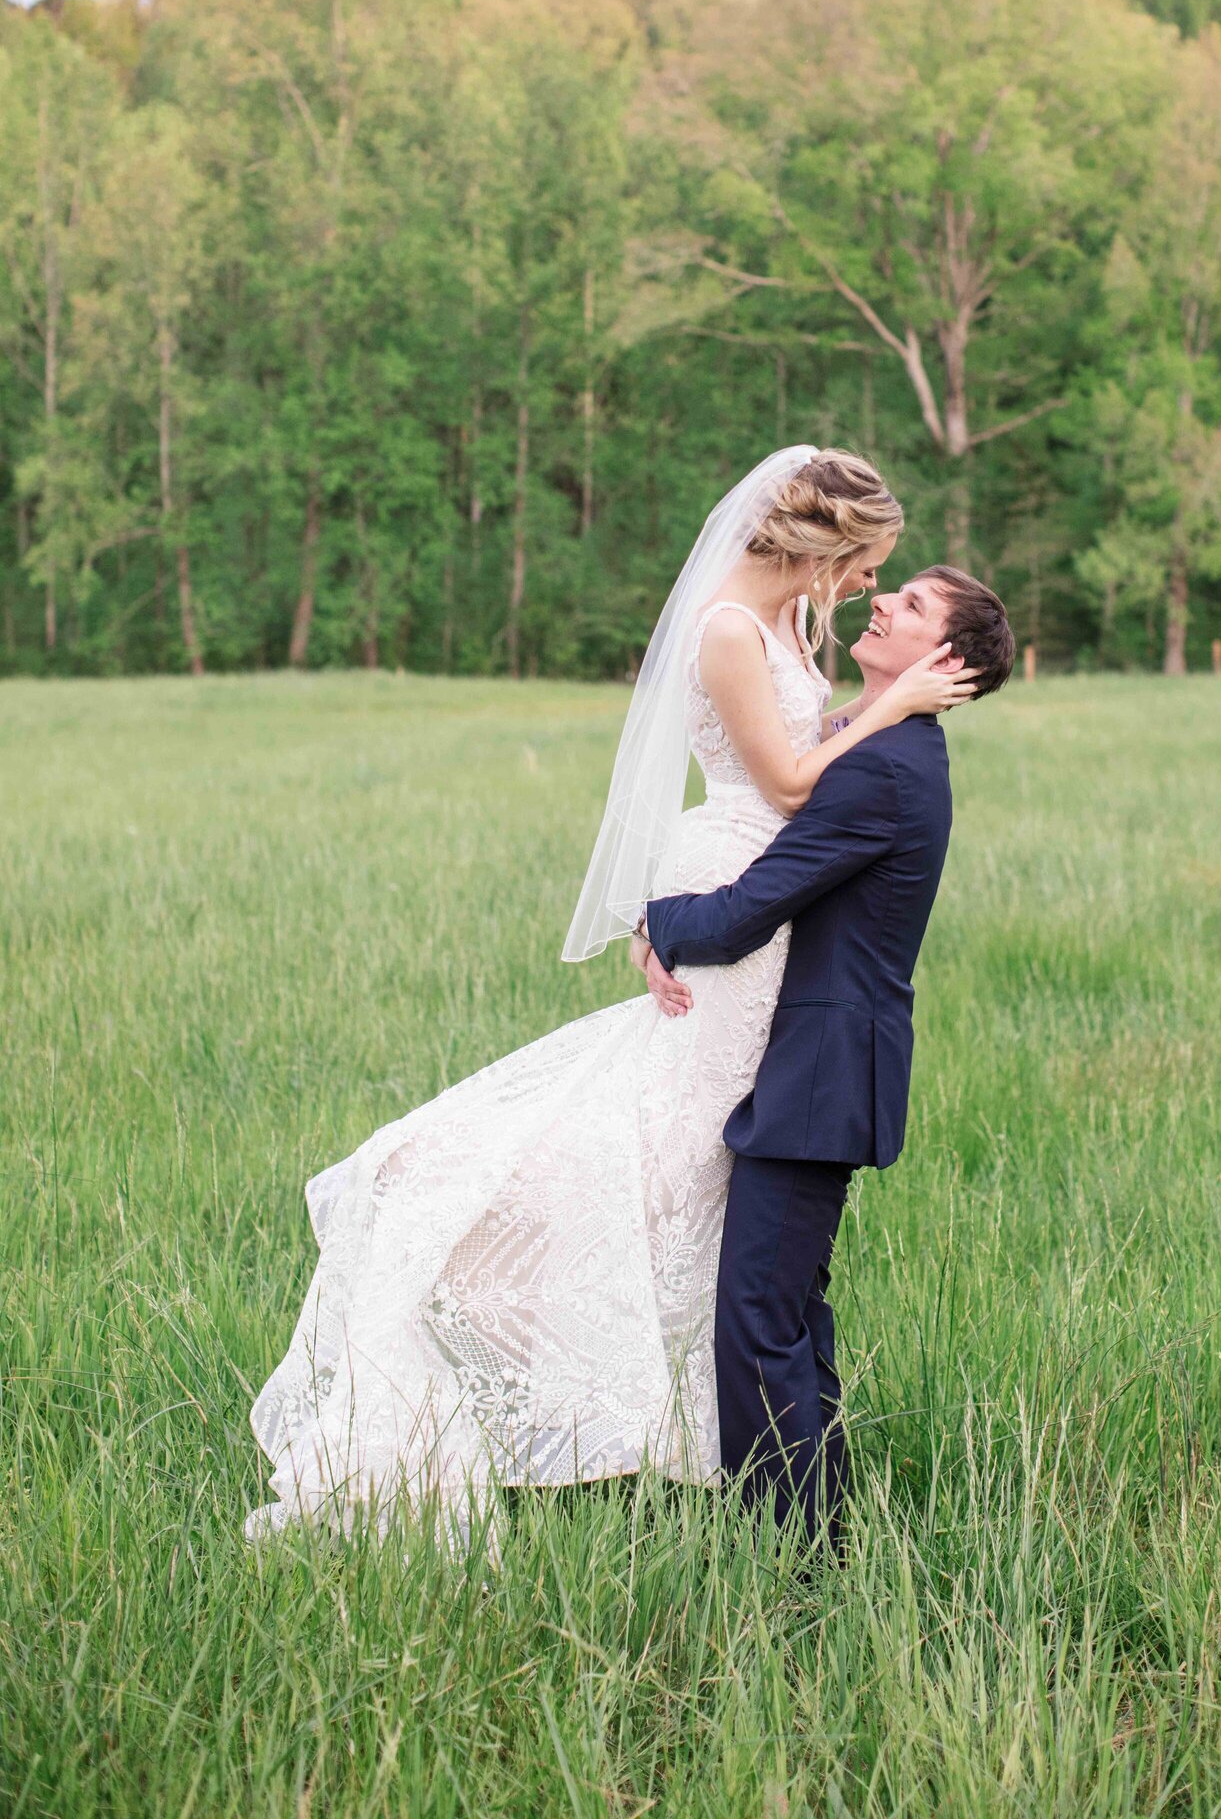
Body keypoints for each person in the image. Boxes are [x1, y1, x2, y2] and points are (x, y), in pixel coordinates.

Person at [245, 447, 975, 1546]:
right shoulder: (730, 627)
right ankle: (493, 1319)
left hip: (756, 913)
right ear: (825, 542)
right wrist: (674, 915)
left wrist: (866, 723)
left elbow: (806, 763)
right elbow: (780, 782)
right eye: (868, 563)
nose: (869, 585)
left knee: (708, 1184)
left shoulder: (792, 626)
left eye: (888, 580)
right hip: (738, 889)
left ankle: (759, 1476)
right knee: (661, 1153)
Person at [639, 564, 1015, 1546]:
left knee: (759, 1323)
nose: (883, 603)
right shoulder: (888, 748)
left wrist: (650, 919)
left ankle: (791, 1556)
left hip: (820, 1072)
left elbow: (749, 911)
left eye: (912, 605)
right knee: (790, 1314)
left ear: (942, 660)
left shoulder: (884, 772)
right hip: (822, 1067)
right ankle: (822, 1531)